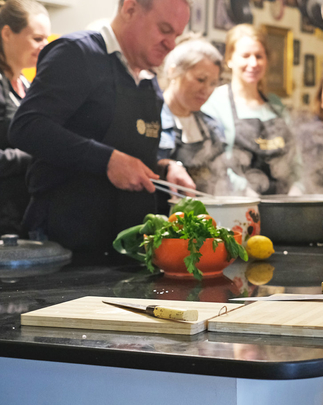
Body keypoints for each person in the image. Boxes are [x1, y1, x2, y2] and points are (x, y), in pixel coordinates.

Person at [8, 0, 195, 254]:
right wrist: (107, 161)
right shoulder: (78, 53)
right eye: (164, 29)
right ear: (130, 9)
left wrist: (166, 168)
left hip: (129, 242)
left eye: (177, 35)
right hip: (68, 241)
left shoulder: (149, 80)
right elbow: (27, 127)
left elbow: (132, 152)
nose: (171, 44)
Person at [202, 24, 300, 196]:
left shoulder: (275, 104)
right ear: (229, 60)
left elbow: (294, 158)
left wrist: (297, 188)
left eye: (259, 56)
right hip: (238, 203)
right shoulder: (215, 102)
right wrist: (244, 193)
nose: (253, 63)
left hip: (282, 202)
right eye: (245, 56)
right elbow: (215, 162)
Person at [0, 0, 49, 237]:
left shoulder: (27, 86)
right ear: (7, 33)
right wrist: (33, 156)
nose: (45, 46)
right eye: (37, 39)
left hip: (23, 212)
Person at [159, 37, 229, 195]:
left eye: (213, 83)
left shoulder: (213, 128)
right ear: (173, 72)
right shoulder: (151, 122)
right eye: (200, 79)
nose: (206, 90)